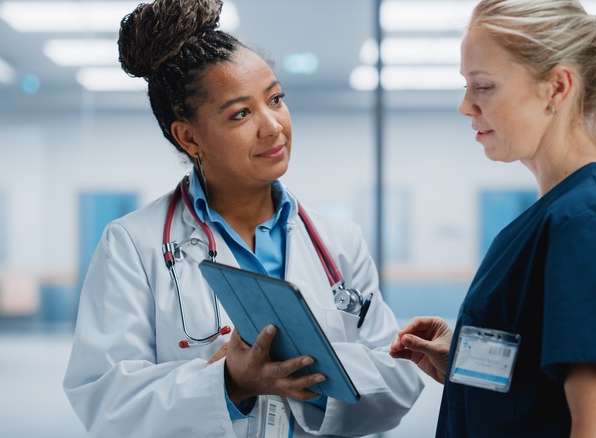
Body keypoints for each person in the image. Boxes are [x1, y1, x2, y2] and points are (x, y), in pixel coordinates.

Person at [62, 1, 423, 436]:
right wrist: (229, 383)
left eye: (275, 99)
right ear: (189, 136)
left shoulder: (339, 241)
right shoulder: (132, 244)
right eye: (241, 113)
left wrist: (303, 373)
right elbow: (106, 400)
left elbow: (399, 378)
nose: (272, 126)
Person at [389, 0, 596, 436]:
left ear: (557, 88)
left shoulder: (591, 218)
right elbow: (542, 373)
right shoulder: (559, 211)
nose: (465, 105)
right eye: (466, 85)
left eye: (483, 86)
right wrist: (463, 358)